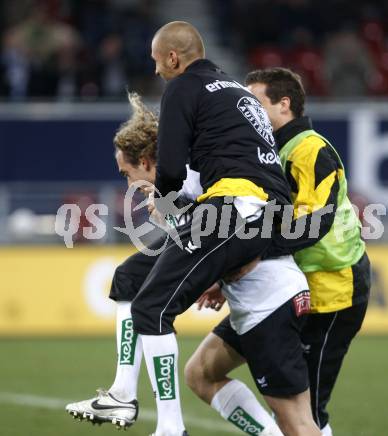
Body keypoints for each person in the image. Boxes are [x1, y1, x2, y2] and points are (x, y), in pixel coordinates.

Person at [65, 91, 315, 436]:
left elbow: (243, 227)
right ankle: (124, 391)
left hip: (272, 301)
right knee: (195, 368)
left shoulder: (204, 169)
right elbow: (209, 239)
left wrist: (214, 257)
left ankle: (168, 425)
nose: (129, 185)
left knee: (298, 423)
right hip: (249, 302)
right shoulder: (190, 184)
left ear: (149, 160)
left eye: (127, 173)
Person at [130, 21, 320, 436]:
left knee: (146, 302)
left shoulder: (183, 89)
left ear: (174, 57)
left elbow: (171, 171)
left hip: (264, 284)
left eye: (157, 61)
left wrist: (162, 203)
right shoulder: (236, 94)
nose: (157, 70)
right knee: (200, 373)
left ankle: (158, 419)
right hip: (263, 237)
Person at [186, 68, 370, 436]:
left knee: (307, 415)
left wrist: (248, 256)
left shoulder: (311, 149)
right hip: (282, 289)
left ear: (284, 104)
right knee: (200, 373)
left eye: (254, 102)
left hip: (332, 292)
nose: (246, 111)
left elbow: (311, 225)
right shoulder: (271, 151)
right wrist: (232, 272)